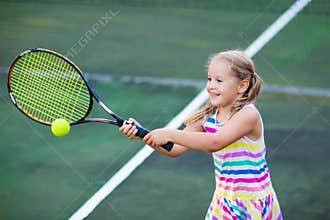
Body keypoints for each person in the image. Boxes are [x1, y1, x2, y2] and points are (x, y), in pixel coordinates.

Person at [120, 50, 282, 219]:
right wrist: (142, 135)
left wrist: (169, 133)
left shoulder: (247, 115)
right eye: (209, 79)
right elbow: (174, 149)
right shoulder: (208, 115)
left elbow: (215, 142)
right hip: (223, 204)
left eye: (219, 81)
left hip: (254, 204)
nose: (211, 86)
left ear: (242, 86)